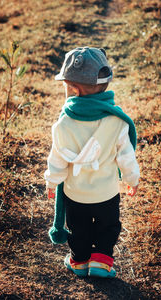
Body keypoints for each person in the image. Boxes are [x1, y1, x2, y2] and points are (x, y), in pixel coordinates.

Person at [44, 47, 140, 278]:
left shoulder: (64, 124)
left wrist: (51, 182)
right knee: (108, 226)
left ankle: (79, 261)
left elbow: (56, 158)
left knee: (79, 229)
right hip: (106, 192)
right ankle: (101, 260)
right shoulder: (117, 121)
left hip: (75, 195)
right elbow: (126, 156)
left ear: (74, 89)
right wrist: (131, 179)